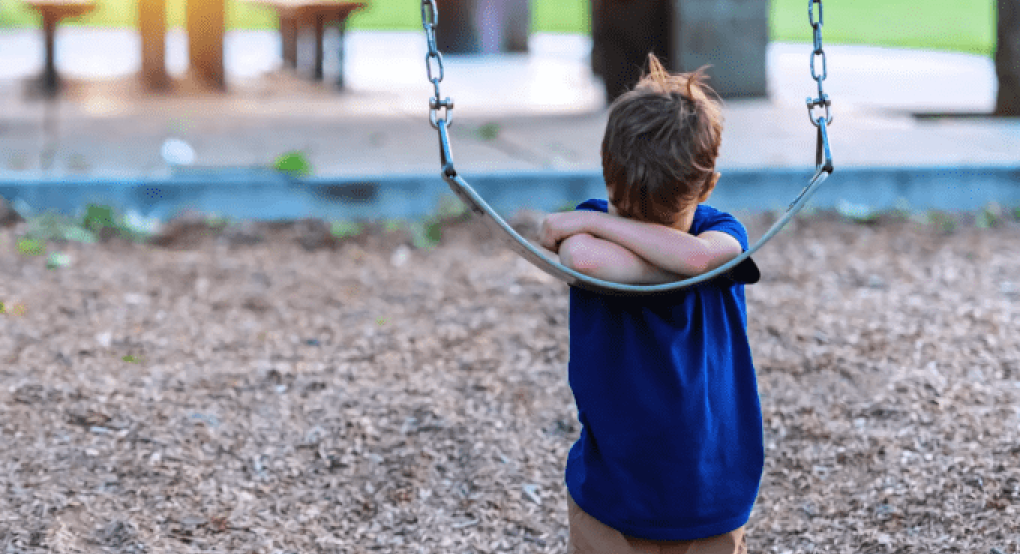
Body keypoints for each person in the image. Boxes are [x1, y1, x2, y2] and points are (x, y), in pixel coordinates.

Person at [538, 53, 762, 554]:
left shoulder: (718, 238)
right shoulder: (707, 242)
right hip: (619, 496)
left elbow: (697, 259)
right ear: (708, 184)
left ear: (605, 172)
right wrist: (677, 267)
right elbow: (587, 260)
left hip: (708, 499)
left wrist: (608, 225)